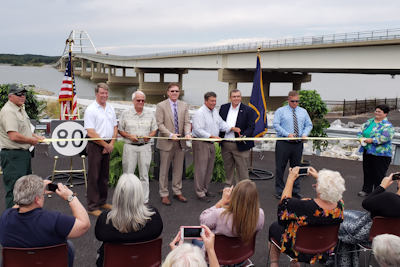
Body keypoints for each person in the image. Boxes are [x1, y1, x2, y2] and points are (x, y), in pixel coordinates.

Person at [0, 175, 90, 267]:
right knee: (69, 246)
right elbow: (84, 224)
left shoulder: (5, 218)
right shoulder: (54, 220)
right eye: (42, 195)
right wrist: (70, 197)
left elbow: (17, 206)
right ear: (37, 200)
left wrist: (29, 193)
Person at [268, 167, 345, 266]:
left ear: (321, 190)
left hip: (299, 249)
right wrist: (320, 177)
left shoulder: (305, 206)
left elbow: (283, 205)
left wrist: (290, 179)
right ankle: (294, 263)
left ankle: (274, 263)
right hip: (324, 248)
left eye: (316, 185)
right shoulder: (340, 206)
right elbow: (337, 194)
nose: (315, 185)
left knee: (274, 227)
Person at [95, 173, 163, 267]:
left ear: (117, 195)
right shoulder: (154, 217)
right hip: (145, 263)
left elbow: (99, 236)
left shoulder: (105, 221)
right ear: (140, 194)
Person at [337, 173, 400, 267]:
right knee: (347, 213)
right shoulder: (390, 200)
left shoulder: (389, 199)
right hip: (393, 240)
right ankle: (350, 262)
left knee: (339, 220)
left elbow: (366, 203)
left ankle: (343, 263)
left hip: (367, 235)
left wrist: (382, 186)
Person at [0, 84, 44, 208]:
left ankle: (22, 218)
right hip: (13, 155)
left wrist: (35, 137)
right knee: (15, 190)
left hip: (22, 155)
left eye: (24, 94)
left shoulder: (20, 108)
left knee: (25, 189)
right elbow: (13, 135)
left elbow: (24, 130)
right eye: (19, 94)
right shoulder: (9, 111)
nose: (22, 96)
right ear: (10, 96)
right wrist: (31, 140)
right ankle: (11, 221)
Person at [192, 91, 240, 202]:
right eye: (212, 101)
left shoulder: (214, 111)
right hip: (201, 143)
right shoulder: (200, 113)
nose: (214, 103)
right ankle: (200, 193)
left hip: (211, 143)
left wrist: (231, 128)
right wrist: (211, 136)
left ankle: (205, 189)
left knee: (209, 169)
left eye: (215, 100)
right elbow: (197, 130)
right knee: (201, 169)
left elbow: (221, 123)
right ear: (205, 101)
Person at [84, 82, 118, 217]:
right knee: (94, 176)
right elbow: (90, 132)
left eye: (106, 93)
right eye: (102, 93)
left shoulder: (110, 107)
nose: (104, 95)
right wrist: (105, 145)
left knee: (104, 176)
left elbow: (115, 127)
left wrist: (111, 144)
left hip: (108, 145)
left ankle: (102, 202)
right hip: (96, 146)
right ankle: (92, 206)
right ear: (96, 94)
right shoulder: (91, 109)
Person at [118, 91, 157, 203]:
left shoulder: (150, 113)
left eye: (143, 100)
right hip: (130, 147)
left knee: (144, 175)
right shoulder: (125, 113)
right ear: (133, 101)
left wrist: (149, 136)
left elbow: (154, 129)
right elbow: (121, 130)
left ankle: (144, 200)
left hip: (145, 147)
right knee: (128, 174)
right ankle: (126, 198)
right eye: (138, 100)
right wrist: (130, 136)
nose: (140, 102)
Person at [156, 83, 191, 206]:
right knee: (164, 170)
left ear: (179, 92)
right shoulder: (161, 106)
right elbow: (159, 124)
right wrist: (170, 135)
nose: (175, 93)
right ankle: (164, 194)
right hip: (167, 142)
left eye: (177, 91)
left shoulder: (184, 105)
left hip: (180, 143)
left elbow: (187, 122)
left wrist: (187, 133)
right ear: (168, 92)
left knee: (178, 169)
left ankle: (177, 191)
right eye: (172, 91)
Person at [273, 90, 313, 199]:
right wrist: (287, 134)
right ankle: (280, 190)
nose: (295, 103)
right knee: (280, 167)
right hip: (283, 143)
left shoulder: (303, 112)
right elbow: (276, 125)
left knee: (296, 168)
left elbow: (309, 125)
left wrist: (305, 134)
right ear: (288, 100)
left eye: (297, 101)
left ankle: (295, 190)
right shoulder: (280, 111)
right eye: (293, 101)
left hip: (297, 144)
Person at [219, 89, 256, 186]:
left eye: (238, 96)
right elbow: (219, 123)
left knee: (242, 169)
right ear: (230, 97)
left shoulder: (249, 110)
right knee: (228, 167)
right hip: (226, 143)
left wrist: (244, 136)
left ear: (241, 97)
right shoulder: (223, 108)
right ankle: (229, 188)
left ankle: (243, 190)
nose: (236, 98)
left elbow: (251, 127)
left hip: (240, 144)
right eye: (234, 96)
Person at [357, 104, 394, 197]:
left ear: (385, 114)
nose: (376, 113)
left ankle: (378, 194)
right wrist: (360, 138)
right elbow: (360, 131)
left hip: (381, 154)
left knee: (379, 174)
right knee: (367, 171)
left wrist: (372, 140)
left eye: (379, 112)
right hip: (368, 151)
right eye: (376, 111)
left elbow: (385, 137)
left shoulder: (387, 126)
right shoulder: (369, 122)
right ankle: (366, 190)